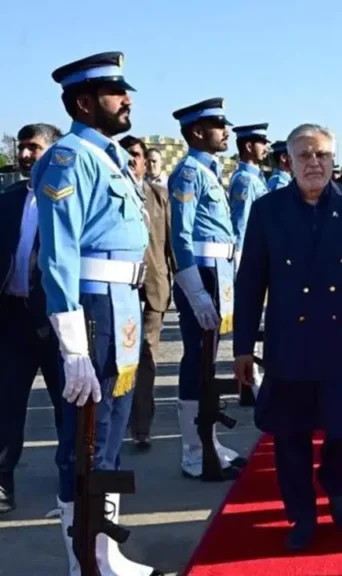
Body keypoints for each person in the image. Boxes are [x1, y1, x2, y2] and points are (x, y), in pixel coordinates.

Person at [34, 51, 161, 575]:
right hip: (93, 307)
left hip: (122, 302)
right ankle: (83, 560)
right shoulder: (69, 157)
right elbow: (58, 252)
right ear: (84, 103)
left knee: (108, 432)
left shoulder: (110, 157)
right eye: (115, 92)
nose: (126, 100)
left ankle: (105, 553)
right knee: (83, 437)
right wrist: (73, 346)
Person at [234, 123, 342, 551]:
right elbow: (251, 282)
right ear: (289, 161)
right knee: (291, 436)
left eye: (322, 155)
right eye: (305, 155)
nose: (314, 163)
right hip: (290, 342)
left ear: (334, 160)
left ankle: (336, 484)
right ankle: (301, 513)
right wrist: (243, 346)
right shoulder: (267, 210)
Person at [168, 97, 245, 480]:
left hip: (219, 271)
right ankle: (194, 452)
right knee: (197, 360)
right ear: (198, 132)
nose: (226, 132)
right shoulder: (188, 172)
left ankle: (209, 441)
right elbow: (180, 236)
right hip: (202, 272)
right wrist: (195, 290)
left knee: (208, 361)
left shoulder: (209, 170)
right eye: (219, 125)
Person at [0, 123, 64, 514]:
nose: (25, 155)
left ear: (53, 152)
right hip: (13, 319)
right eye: (22, 148)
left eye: (33, 148)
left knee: (67, 406)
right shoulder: (8, 199)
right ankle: (1, 484)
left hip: (59, 323)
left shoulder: (69, 198)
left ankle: (72, 486)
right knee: (6, 405)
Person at [120, 135, 175, 450]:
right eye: (125, 154)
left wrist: (186, 285)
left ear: (144, 161)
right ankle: (115, 421)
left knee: (147, 354)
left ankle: (141, 426)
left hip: (154, 285)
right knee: (116, 356)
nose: (131, 159)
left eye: (136, 154)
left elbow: (172, 242)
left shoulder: (158, 195)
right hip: (117, 288)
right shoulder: (108, 193)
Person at [228, 123, 271, 255]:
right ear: (249, 147)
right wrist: (240, 255)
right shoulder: (246, 180)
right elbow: (241, 221)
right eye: (262, 143)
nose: (266, 148)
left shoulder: (255, 178)